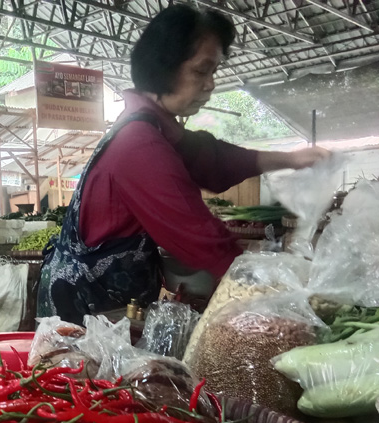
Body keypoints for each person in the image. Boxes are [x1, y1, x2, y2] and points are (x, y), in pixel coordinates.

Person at [37, 5, 331, 325]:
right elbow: (199, 236)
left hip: (110, 305)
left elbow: (212, 160)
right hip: (85, 317)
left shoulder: (155, 127)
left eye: (214, 71)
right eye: (202, 71)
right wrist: (279, 294)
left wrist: (291, 159)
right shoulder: (139, 143)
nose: (211, 84)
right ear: (164, 67)